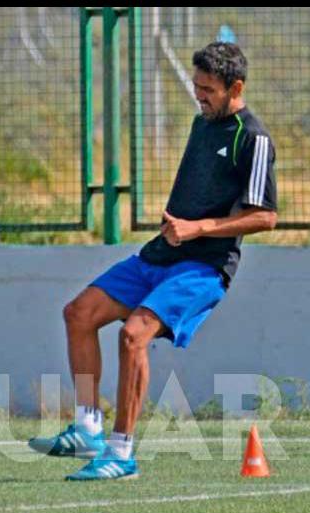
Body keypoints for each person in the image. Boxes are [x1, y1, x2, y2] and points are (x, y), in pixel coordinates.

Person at [29, 42, 278, 481]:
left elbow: (265, 216)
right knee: (78, 314)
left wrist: (196, 228)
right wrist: (176, 232)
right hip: (161, 252)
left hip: (204, 266)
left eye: (208, 89)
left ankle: (121, 453)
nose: (199, 96)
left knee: (133, 335)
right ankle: (88, 428)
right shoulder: (203, 124)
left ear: (235, 87)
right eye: (197, 86)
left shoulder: (253, 139)